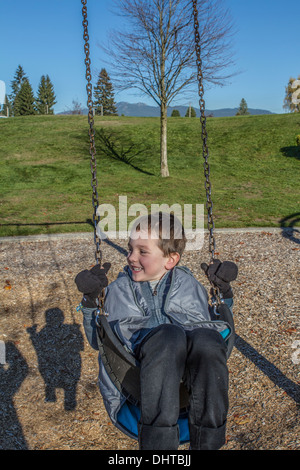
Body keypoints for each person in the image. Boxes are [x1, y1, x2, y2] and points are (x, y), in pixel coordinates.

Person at [75, 212, 238, 450]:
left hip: (191, 384)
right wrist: (91, 302)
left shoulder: (190, 285)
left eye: (142, 251)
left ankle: (208, 442)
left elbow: (216, 323)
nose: (131, 257)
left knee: (208, 340)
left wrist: (222, 293)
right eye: (130, 249)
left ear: (170, 260)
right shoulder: (117, 289)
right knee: (168, 336)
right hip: (136, 384)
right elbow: (98, 340)